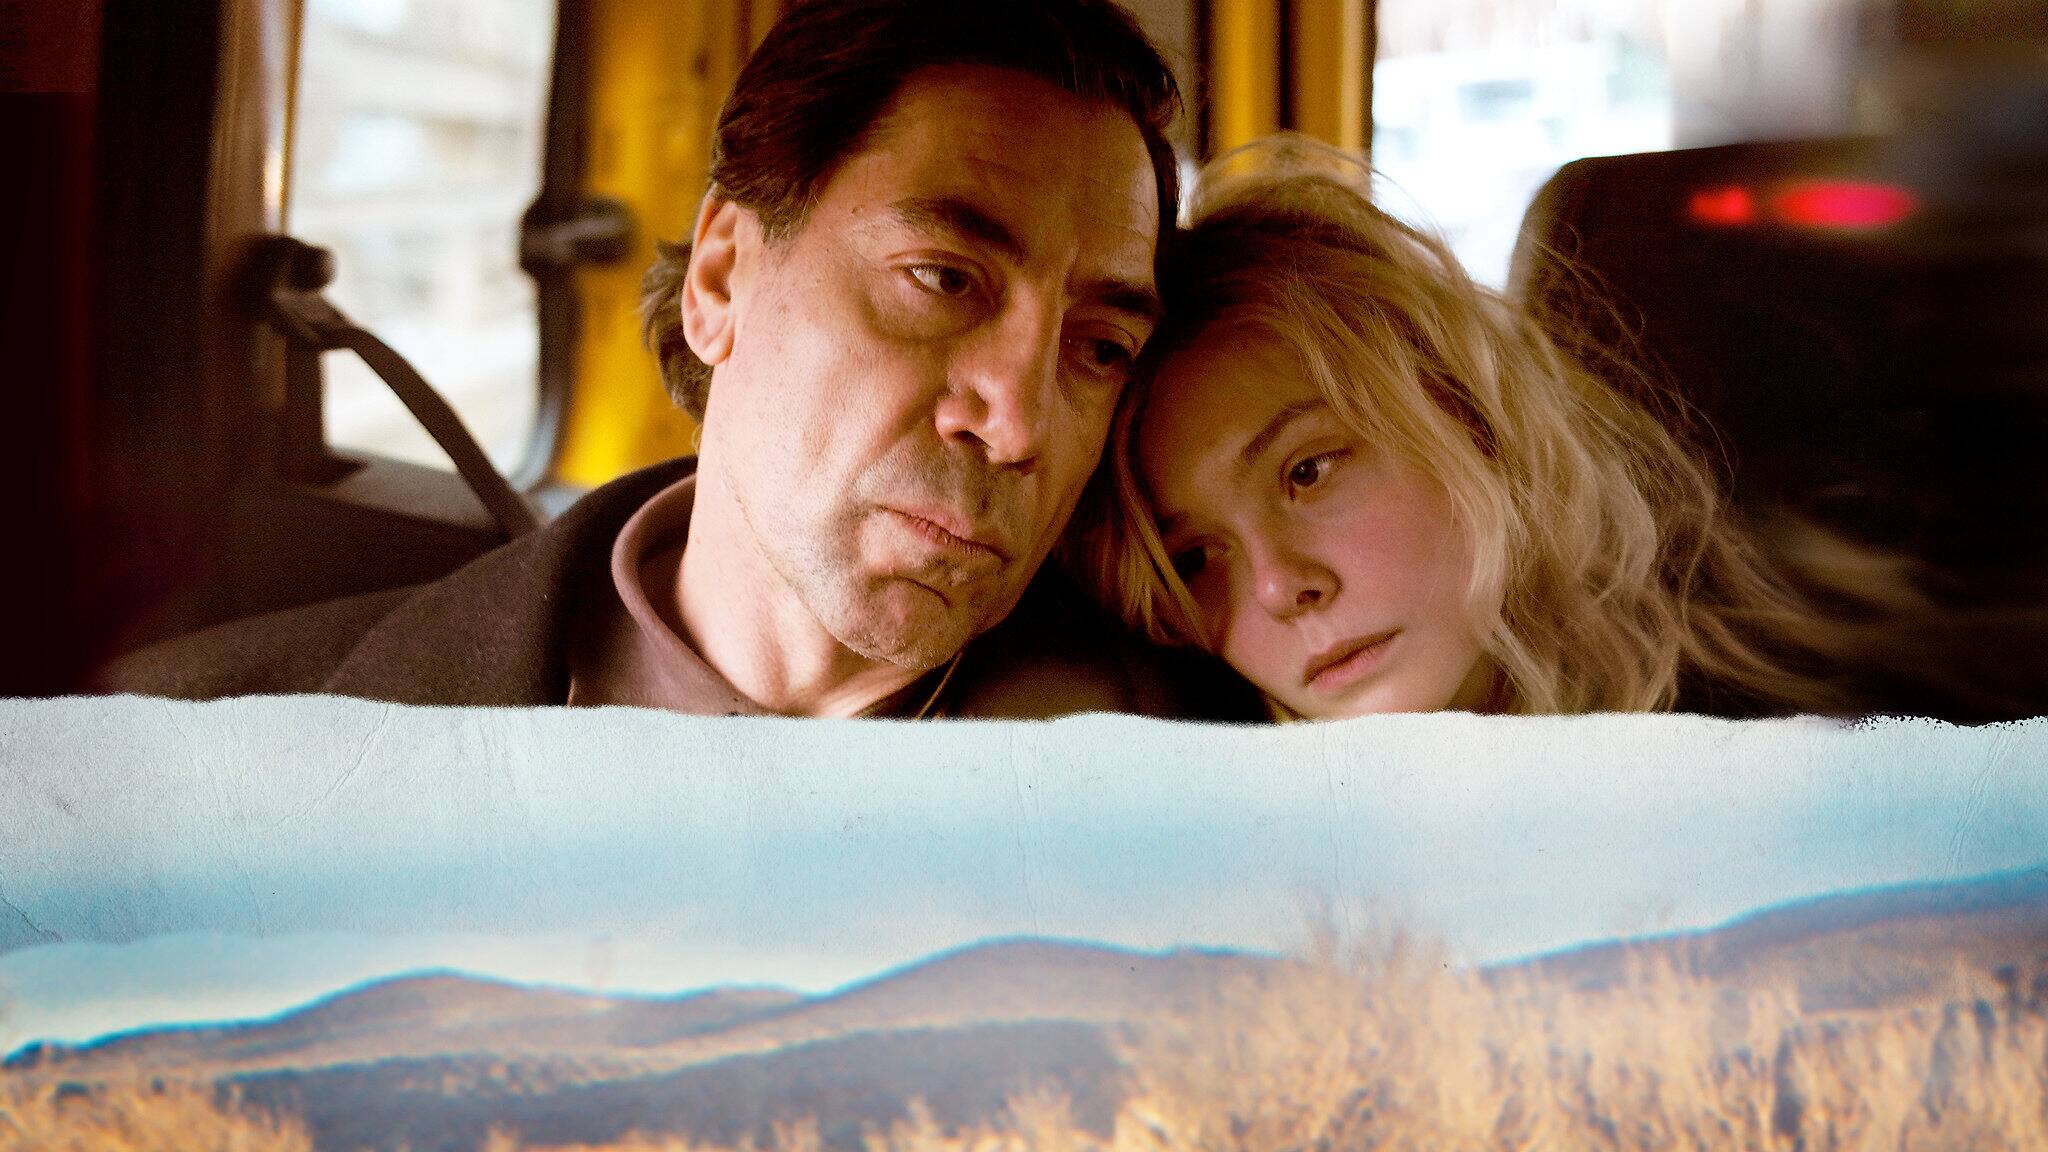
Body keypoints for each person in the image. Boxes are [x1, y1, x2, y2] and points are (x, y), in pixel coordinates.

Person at [105, 0, 1253, 721]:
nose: (1017, 422)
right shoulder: (195, 745)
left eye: (1098, 348)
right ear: (719, 278)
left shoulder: (1203, 782)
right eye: (944, 280)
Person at [1069, 135, 1890, 720]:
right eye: (1195, 558)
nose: (1282, 589)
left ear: (1466, 415)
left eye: (1308, 471)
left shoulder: (1798, 736)